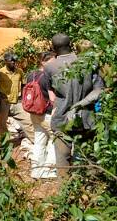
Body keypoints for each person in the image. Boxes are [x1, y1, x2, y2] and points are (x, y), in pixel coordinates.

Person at [44, 33, 105, 178]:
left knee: (62, 160)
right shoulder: (88, 63)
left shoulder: (49, 67)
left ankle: (65, 196)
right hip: (86, 118)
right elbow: (99, 90)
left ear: (53, 48)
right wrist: (80, 104)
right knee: (88, 159)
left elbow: (50, 91)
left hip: (61, 119)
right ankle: (89, 193)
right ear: (70, 44)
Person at [27, 51, 57, 179]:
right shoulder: (48, 76)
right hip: (47, 113)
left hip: (33, 112)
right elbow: (53, 98)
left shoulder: (31, 75)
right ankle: (48, 170)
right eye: (53, 61)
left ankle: (35, 170)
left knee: (39, 140)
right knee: (54, 139)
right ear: (44, 62)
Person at [0, 52, 34, 141]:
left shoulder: (19, 71)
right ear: (6, 61)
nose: (14, 62)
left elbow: (23, 85)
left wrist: (23, 97)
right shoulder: (0, 72)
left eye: (15, 60)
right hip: (4, 103)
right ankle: (3, 145)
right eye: (11, 60)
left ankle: (36, 141)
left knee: (27, 121)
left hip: (16, 102)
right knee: (2, 124)